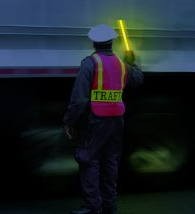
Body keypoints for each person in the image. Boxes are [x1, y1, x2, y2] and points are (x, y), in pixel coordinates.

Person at [63, 24, 144, 214]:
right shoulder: (121, 65)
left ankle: (93, 208)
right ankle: (110, 206)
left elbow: (79, 99)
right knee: (110, 163)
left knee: (88, 160)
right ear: (112, 42)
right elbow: (139, 79)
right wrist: (132, 61)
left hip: (95, 121)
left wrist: (69, 121)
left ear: (94, 42)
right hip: (117, 121)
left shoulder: (90, 64)